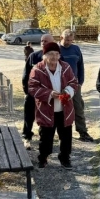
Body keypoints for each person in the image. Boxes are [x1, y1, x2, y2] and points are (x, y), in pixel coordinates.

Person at [28, 41, 78, 169]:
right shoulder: (37, 69)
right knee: (46, 137)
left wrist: (67, 92)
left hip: (64, 109)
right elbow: (32, 88)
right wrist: (50, 94)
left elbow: (73, 83)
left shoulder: (66, 67)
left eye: (56, 54)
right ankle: (43, 158)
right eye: (51, 54)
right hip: (46, 109)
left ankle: (65, 158)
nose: (54, 57)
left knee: (66, 136)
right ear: (44, 55)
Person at [59, 30, 95, 142]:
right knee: (62, 108)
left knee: (78, 108)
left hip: (74, 85)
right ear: (61, 37)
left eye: (71, 40)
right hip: (61, 85)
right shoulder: (56, 50)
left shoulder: (76, 49)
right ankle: (63, 133)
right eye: (66, 40)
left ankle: (82, 132)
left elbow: (80, 66)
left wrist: (80, 82)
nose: (69, 42)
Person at [21, 33, 54, 148]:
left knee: (46, 117)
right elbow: (26, 75)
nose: (43, 43)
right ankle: (27, 137)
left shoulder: (57, 57)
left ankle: (44, 140)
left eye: (46, 41)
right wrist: (27, 91)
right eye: (42, 41)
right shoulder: (34, 56)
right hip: (33, 93)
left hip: (48, 94)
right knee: (29, 115)